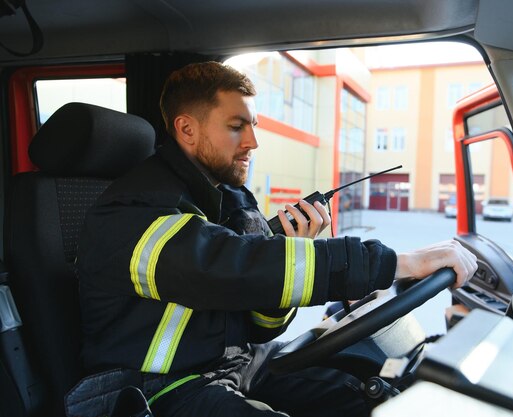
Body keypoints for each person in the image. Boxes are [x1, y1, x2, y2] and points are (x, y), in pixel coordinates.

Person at [76, 61, 477, 417]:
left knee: (366, 399)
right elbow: (227, 268)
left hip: (239, 367)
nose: (252, 141)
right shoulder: (131, 213)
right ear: (186, 129)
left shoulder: (230, 200)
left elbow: (260, 323)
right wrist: (394, 265)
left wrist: (293, 254)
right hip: (159, 389)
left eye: (253, 126)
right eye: (236, 127)